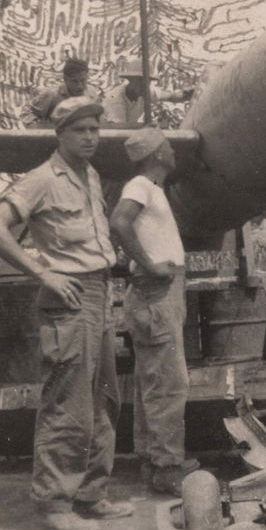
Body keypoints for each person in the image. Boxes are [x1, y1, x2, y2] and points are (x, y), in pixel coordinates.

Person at [0, 96, 129, 530]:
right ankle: (55, 504)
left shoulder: (91, 175)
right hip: (70, 298)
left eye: (94, 129)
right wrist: (43, 273)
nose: (89, 137)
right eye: (79, 130)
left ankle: (92, 494)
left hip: (99, 293)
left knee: (105, 400)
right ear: (60, 134)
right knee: (69, 405)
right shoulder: (41, 179)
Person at [109, 127, 199, 496]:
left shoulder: (152, 189)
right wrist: (147, 264)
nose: (174, 152)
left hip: (161, 292)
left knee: (154, 381)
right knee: (168, 383)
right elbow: (119, 222)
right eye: (168, 146)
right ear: (156, 154)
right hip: (155, 292)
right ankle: (167, 467)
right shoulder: (140, 186)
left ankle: (154, 459)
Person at [101, 57, 193, 126]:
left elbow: (170, 96)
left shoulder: (145, 90)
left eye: (147, 81)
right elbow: (119, 128)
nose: (145, 85)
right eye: (140, 81)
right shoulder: (115, 98)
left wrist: (188, 94)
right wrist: (147, 126)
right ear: (131, 80)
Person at [29, 58, 93, 127]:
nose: (79, 86)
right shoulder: (52, 94)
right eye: (74, 81)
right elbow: (28, 113)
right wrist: (40, 132)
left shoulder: (92, 93)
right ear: (65, 79)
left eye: (83, 80)